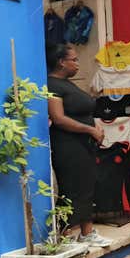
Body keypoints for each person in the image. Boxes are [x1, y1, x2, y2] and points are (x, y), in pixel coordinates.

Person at [46, 43, 111, 247]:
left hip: (84, 146)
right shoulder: (52, 85)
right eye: (73, 60)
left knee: (87, 185)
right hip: (67, 145)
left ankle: (87, 233)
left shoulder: (68, 84)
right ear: (61, 62)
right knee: (71, 188)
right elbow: (58, 118)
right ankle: (63, 237)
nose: (77, 63)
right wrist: (90, 130)